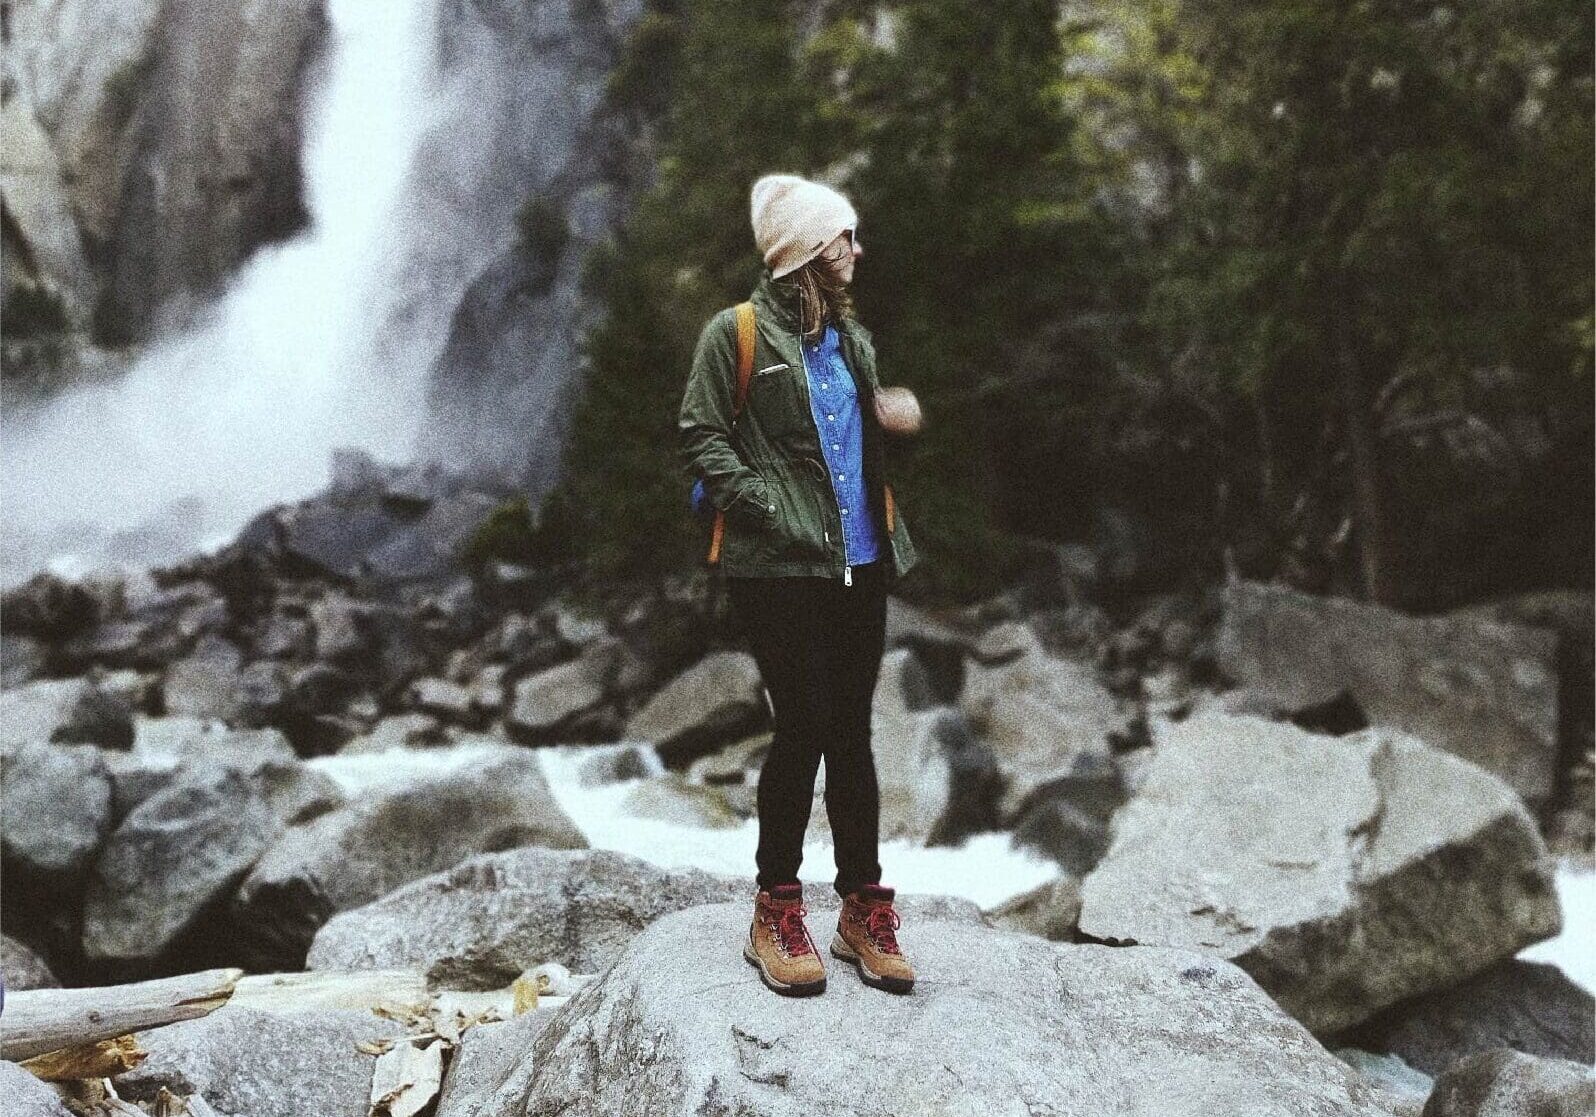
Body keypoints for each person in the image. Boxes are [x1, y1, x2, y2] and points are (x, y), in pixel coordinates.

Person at [677, 172, 924, 998]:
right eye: (844, 237)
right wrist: (766, 506)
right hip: (776, 568)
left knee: (851, 729)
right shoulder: (734, 334)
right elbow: (701, 435)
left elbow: (857, 454)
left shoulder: (853, 344)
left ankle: (862, 906)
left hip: (860, 559)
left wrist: (897, 421)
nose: (857, 250)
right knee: (805, 724)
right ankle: (775, 908)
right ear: (811, 252)